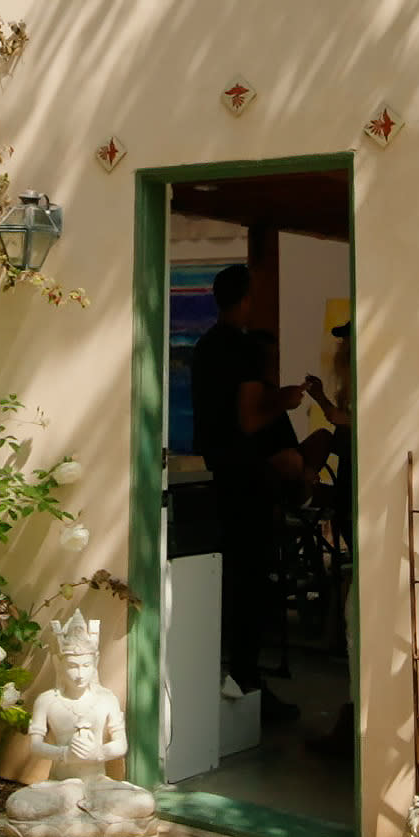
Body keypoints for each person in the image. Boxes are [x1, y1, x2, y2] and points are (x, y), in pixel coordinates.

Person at [185, 264, 300, 684]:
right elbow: (250, 419)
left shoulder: (206, 347)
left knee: (228, 580)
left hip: (213, 473)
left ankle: (230, 680)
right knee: (249, 582)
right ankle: (246, 682)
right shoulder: (243, 349)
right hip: (246, 477)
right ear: (247, 299)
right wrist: (282, 401)